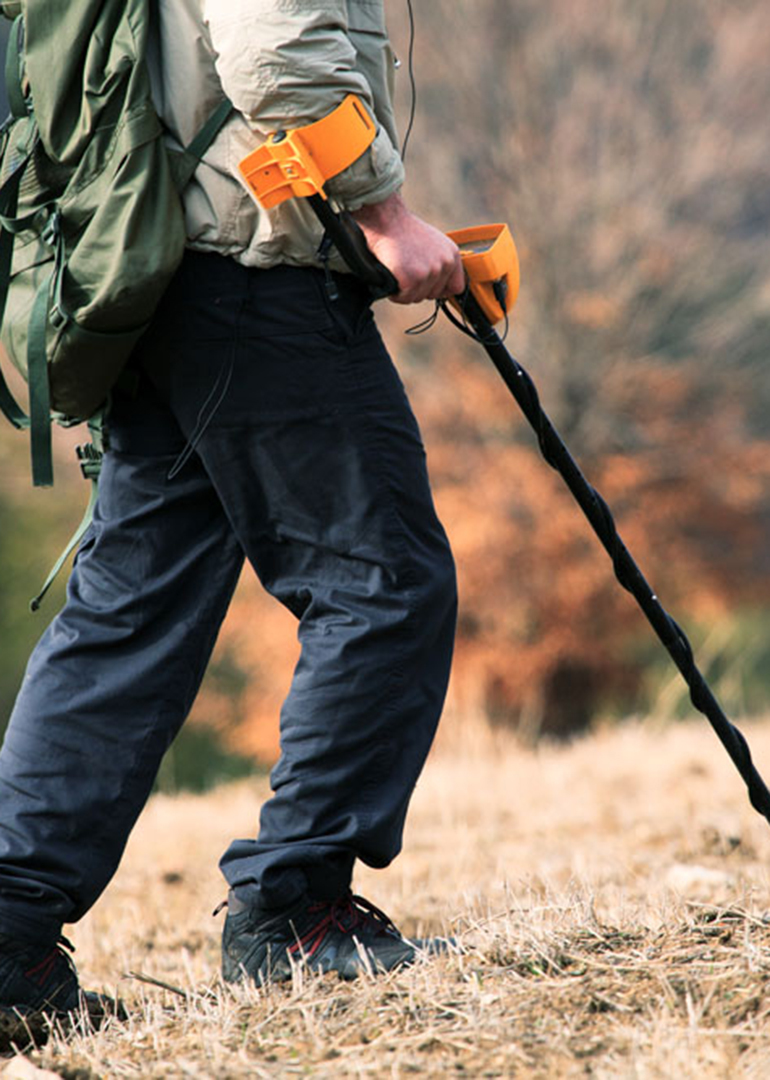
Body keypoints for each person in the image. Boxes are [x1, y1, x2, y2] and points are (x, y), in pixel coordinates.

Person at [0, 0, 463, 1036]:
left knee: (128, 618)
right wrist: (384, 214)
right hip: (249, 272)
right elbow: (276, 50)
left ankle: (5, 934)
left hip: (159, 272)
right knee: (381, 582)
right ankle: (294, 912)